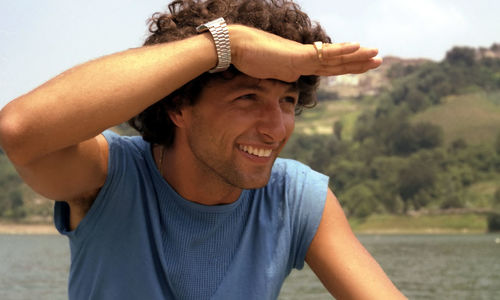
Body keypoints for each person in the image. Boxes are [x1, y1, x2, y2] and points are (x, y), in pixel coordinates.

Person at [0, 0, 406, 299]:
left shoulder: (294, 197)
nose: (275, 128)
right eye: (247, 97)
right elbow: (19, 131)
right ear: (178, 105)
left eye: (287, 101)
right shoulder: (108, 176)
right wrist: (226, 45)